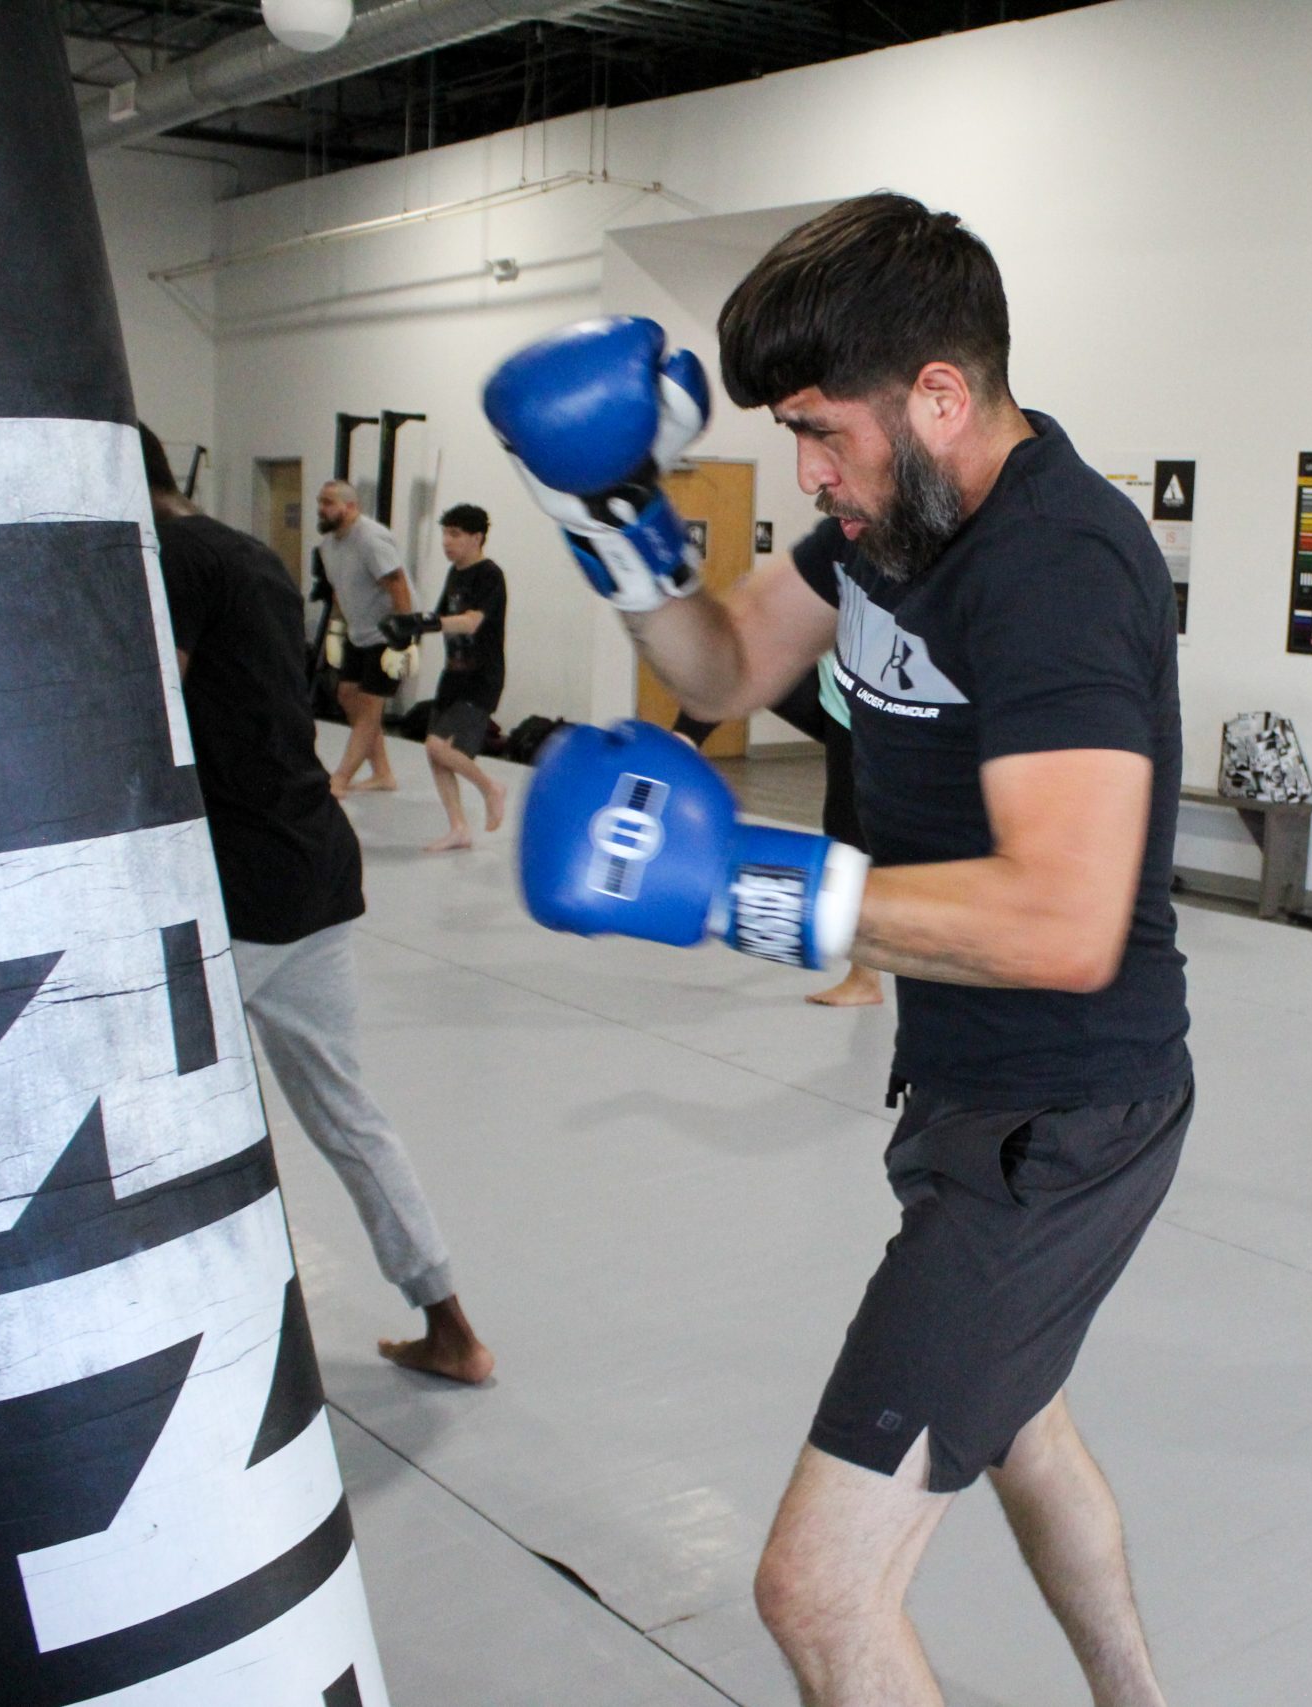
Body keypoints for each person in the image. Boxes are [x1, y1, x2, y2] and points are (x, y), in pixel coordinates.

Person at [489, 193, 1191, 1706]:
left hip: (1067, 1113)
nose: (807, 471)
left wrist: (733, 882)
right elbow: (727, 661)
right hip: (966, 1076)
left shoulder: (1057, 563)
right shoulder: (889, 524)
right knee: (1021, 1426)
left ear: (938, 395)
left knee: (817, 1591)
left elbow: (1065, 924)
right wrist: (614, 527)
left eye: (821, 431)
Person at [144, 425, 495, 1386]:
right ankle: (452, 1328)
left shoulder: (170, 557)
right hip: (312, 859)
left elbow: (154, 703)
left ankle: (187, 1334)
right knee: (345, 1112)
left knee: (149, 1109)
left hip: (240, 884)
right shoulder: (250, 552)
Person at [673, 642, 881, 1008]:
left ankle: (870, 975)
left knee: (857, 835)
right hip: (842, 696)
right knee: (845, 832)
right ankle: (865, 977)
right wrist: (684, 738)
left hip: (892, 710)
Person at [383, 503, 509, 853]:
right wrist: (406, 633)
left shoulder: (489, 575)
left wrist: (425, 623)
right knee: (436, 755)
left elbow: (470, 622)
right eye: (444, 533)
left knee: (438, 747)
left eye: (455, 534)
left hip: (481, 677)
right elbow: (438, 618)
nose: (446, 542)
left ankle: (491, 788)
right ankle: (459, 828)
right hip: (453, 675)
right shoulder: (455, 574)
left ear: (477, 538)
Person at [313, 478, 415, 797]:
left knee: (370, 707)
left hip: (387, 633)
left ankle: (340, 778)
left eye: (329, 502)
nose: (321, 508)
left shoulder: (371, 539)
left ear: (350, 506)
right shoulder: (328, 546)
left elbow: (397, 584)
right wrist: (336, 632)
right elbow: (340, 592)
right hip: (359, 633)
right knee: (347, 695)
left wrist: (403, 639)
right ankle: (382, 773)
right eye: (320, 501)